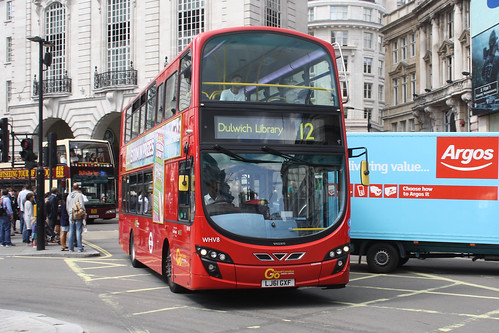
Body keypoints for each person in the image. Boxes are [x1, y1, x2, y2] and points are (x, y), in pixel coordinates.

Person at [66, 184, 86, 252]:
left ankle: (70, 248)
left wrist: (69, 214)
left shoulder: (69, 196)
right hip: (78, 214)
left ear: (72, 188)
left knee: (71, 231)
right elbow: (82, 206)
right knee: (78, 231)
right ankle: (79, 248)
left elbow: (67, 206)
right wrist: (84, 215)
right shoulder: (79, 195)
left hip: (71, 214)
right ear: (78, 188)